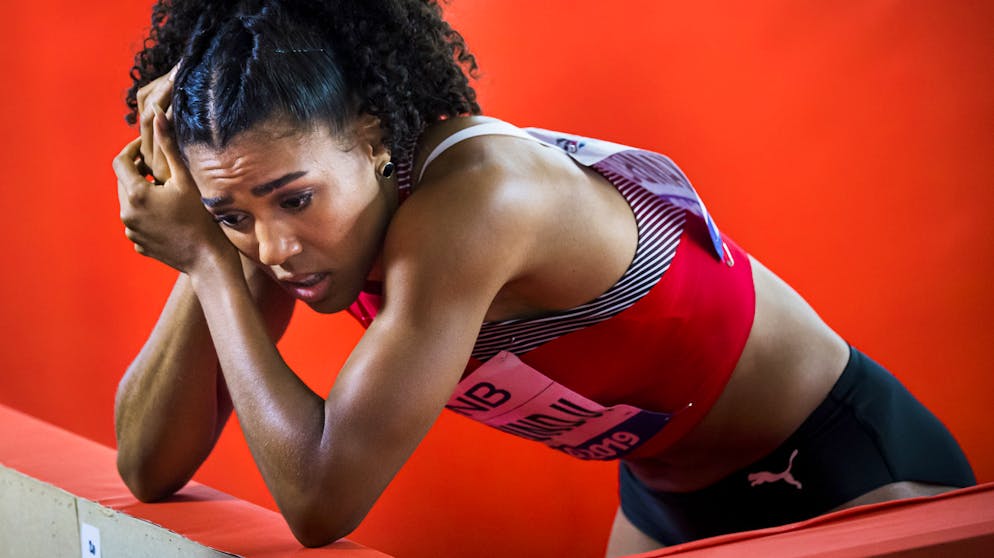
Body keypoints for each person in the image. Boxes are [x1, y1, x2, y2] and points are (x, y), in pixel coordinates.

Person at [112, 1, 975, 554]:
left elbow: (320, 499)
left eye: (293, 199)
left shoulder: (480, 200)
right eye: (232, 216)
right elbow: (150, 465)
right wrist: (212, 232)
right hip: (665, 493)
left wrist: (207, 261)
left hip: (840, 460)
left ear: (373, 136)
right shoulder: (289, 215)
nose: (273, 247)